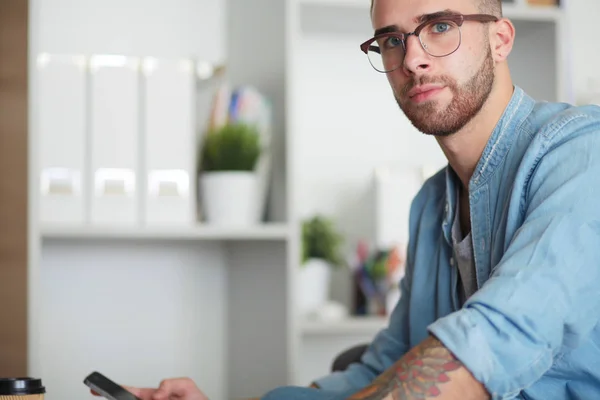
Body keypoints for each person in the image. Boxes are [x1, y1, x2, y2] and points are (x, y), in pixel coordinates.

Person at [104, 0, 600, 398]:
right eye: (391, 40)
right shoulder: (431, 204)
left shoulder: (583, 154)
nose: (412, 59)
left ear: (500, 39)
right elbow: (384, 366)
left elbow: (492, 343)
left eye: (440, 26)